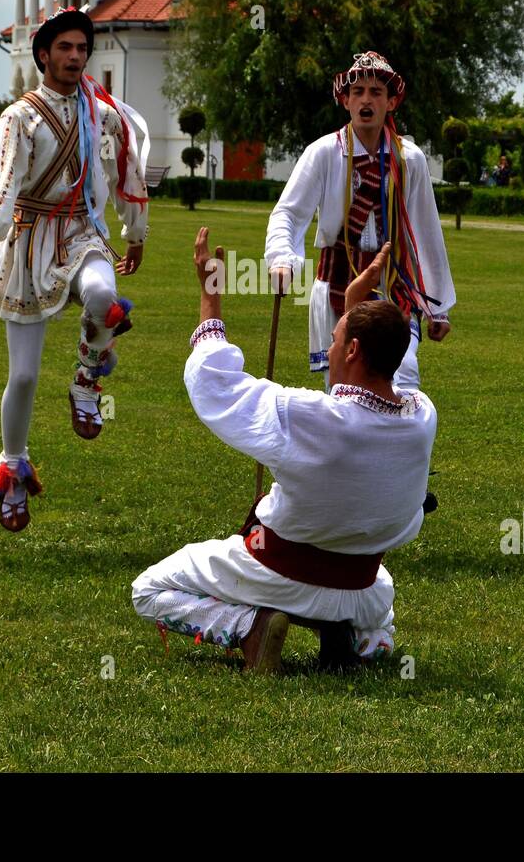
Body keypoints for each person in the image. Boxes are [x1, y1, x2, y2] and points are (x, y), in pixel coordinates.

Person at [131, 228, 436, 673]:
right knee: (381, 602)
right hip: (360, 586)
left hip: (277, 573)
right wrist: (354, 300)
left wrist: (211, 294)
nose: (328, 348)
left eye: (333, 340)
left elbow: (216, 383)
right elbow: (384, 371)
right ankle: (354, 640)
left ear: (351, 349)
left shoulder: (306, 415)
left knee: (148, 591)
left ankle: (249, 628)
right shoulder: (421, 416)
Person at [0, 6, 149, 532]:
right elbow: (1, 178)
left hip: (82, 231)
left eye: (81, 49)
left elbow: (125, 170)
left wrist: (135, 232)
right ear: (44, 55)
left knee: (102, 296)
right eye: (64, 48)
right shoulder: (18, 117)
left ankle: (88, 377)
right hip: (27, 242)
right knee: (22, 375)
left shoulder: (103, 114)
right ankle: (13, 466)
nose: (74, 57)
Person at [264, 51, 455, 392]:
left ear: (391, 101)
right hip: (337, 282)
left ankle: (400, 445)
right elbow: (289, 213)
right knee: (342, 391)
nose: (366, 100)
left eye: (376, 92)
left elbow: (425, 232)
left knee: (403, 381)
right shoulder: (323, 152)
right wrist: (282, 258)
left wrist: (436, 307)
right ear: (345, 100)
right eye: (358, 92)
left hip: (392, 287)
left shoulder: (409, 159)